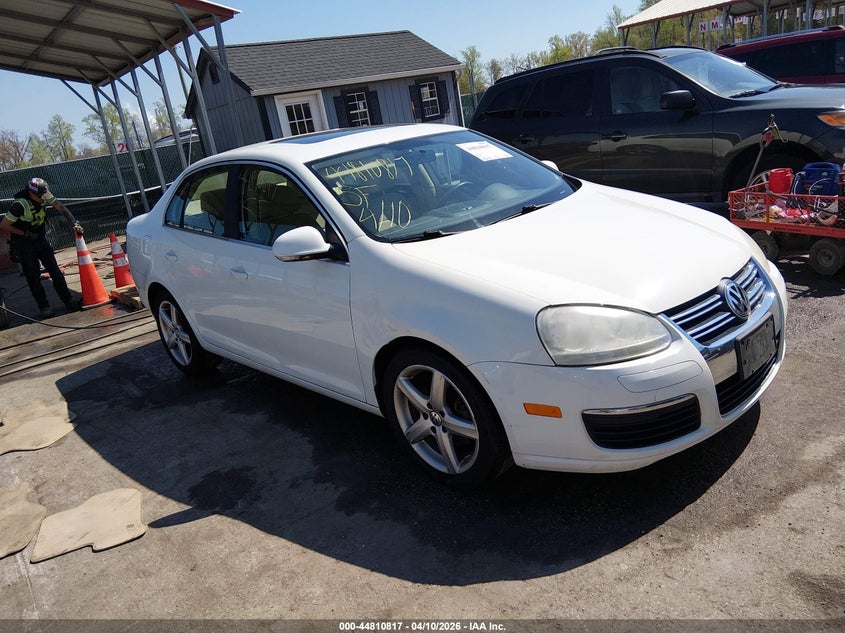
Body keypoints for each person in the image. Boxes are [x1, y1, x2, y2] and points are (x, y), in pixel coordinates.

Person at [1, 177, 84, 318]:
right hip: (24, 244)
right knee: (33, 277)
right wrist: (25, 233)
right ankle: (44, 307)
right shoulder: (20, 205)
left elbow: (60, 207)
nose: (43, 199)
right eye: (40, 197)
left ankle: (68, 300)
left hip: (40, 240)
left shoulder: (44, 195)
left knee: (55, 272)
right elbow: (4, 225)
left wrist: (74, 222)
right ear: (31, 193)